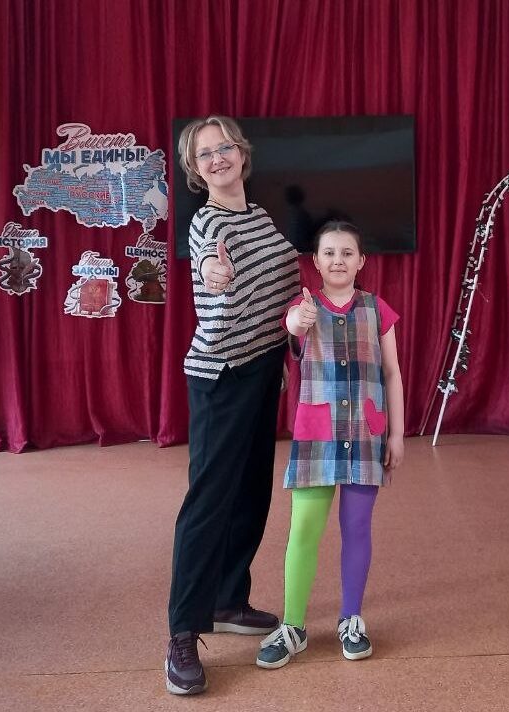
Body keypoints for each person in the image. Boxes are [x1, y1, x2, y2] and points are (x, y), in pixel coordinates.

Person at [164, 115, 301, 696]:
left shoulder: (260, 216)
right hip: (221, 376)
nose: (217, 158)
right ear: (195, 170)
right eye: (205, 154)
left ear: (242, 154)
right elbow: (208, 264)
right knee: (209, 502)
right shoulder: (207, 222)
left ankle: (226, 600)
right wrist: (213, 273)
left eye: (224, 147)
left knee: (250, 494)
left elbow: (280, 291)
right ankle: (182, 632)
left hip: (263, 369)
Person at [256, 221, 405, 669]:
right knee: (304, 529)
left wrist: (397, 434)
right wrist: (295, 322)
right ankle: (294, 626)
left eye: (347, 253)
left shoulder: (377, 310)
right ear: (316, 262)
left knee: (357, 528)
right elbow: (292, 328)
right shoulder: (303, 308)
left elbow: (392, 373)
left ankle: (351, 619)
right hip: (316, 437)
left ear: (361, 261)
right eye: (329, 253)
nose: (338, 260)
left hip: (365, 434)